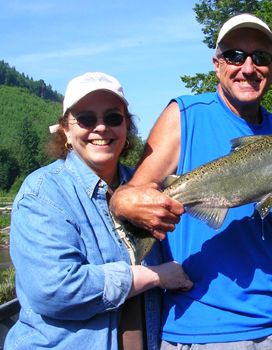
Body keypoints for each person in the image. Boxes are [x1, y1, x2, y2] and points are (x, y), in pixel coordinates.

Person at [111, 14, 272, 349]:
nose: (248, 67)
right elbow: (132, 193)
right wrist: (130, 205)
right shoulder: (183, 116)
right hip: (201, 330)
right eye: (235, 56)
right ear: (218, 64)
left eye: (260, 57)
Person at [4, 72, 192, 350]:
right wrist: (153, 276)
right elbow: (55, 290)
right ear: (66, 130)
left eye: (113, 118)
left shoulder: (150, 189)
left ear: (127, 126)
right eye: (86, 119)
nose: (101, 128)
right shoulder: (42, 193)